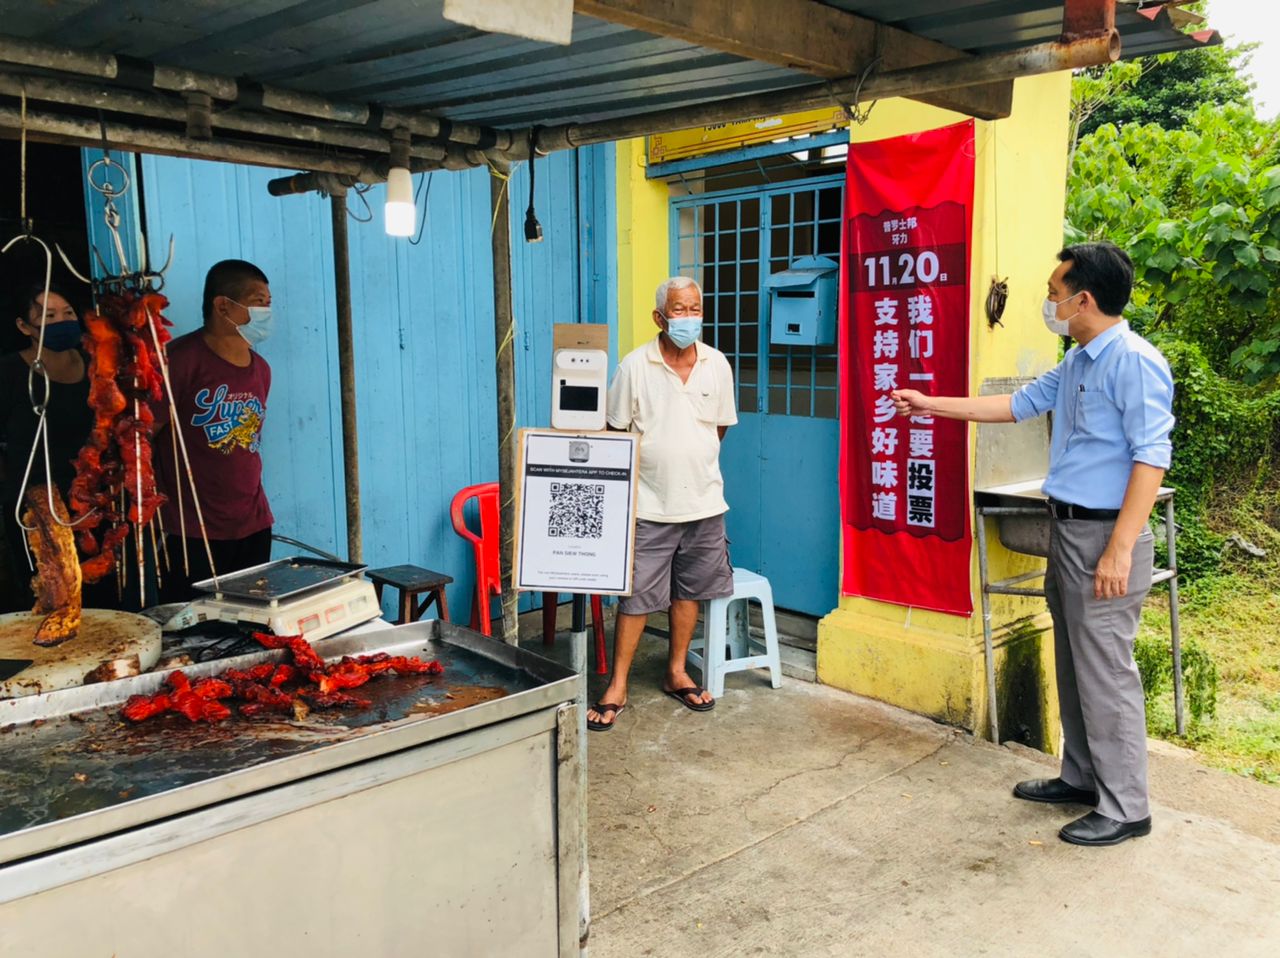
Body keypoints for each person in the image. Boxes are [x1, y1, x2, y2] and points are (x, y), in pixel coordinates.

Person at [891, 242, 1174, 847]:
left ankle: (1127, 807)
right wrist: (929, 403)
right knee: (1073, 664)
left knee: (1106, 673)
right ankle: (1081, 778)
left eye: (1053, 293)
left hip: (1105, 535)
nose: (1048, 303)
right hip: (1067, 529)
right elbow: (1015, 406)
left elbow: (1151, 457)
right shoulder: (1076, 361)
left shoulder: (1134, 362)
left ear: (1084, 300)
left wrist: (1120, 550)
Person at [586, 276, 738, 732]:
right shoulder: (634, 367)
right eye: (680, 309)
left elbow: (720, 429)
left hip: (705, 503)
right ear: (659, 317)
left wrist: (691, 460)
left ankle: (675, 672)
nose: (689, 317)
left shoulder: (717, 364)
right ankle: (618, 684)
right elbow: (615, 434)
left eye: (695, 308)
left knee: (689, 591)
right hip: (648, 505)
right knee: (636, 597)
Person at [154, 259, 274, 603]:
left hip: (252, 522)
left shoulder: (261, 370)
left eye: (268, 303)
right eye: (258, 301)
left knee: (249, 621)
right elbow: (145, 435)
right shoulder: (179, 360)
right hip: (191, 529)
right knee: (192, 629)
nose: (266, 311)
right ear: (223, 306)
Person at [0, 283, 122, 611]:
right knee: (52, 595)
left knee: (104, 592)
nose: (62, 321)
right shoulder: (10, 372)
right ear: (24, 326)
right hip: (36, 503)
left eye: (67, 313)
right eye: (48, 315)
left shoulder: (93, 362)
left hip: (92, 497)